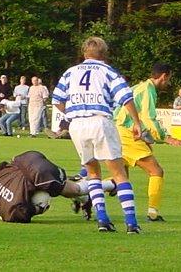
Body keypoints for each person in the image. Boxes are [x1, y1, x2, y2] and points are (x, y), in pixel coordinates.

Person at [52, 36, 142, 234]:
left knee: (92, 172)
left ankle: (102, 219)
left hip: (77, 125)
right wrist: (137, 122)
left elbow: (57, 99)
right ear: (104, 54)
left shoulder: (70, 72)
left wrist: (72, 113)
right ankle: (131, 223)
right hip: (100, 121)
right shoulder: (107, 71)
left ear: (84, 53)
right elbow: (125, 97)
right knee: (119, 173)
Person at [114, 63, 181, 222]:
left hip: (117, 129)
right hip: (127, 132)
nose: (168, 83)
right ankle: (153, 212)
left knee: (120, 176)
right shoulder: (148, 90)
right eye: (169, 79)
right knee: (156, 171)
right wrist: (165, 137)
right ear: (164, 76)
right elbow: (148, 118)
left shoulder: (138, 86)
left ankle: (85, 193)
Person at [0, 151, 115, 223]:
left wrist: (39, 209)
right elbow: (1, 166)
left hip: (40, 173)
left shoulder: (13, 212)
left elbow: (23, 213)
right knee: (52, 185)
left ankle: (111, 184)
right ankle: (83, 196)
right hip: (24, 158)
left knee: (74, 190)